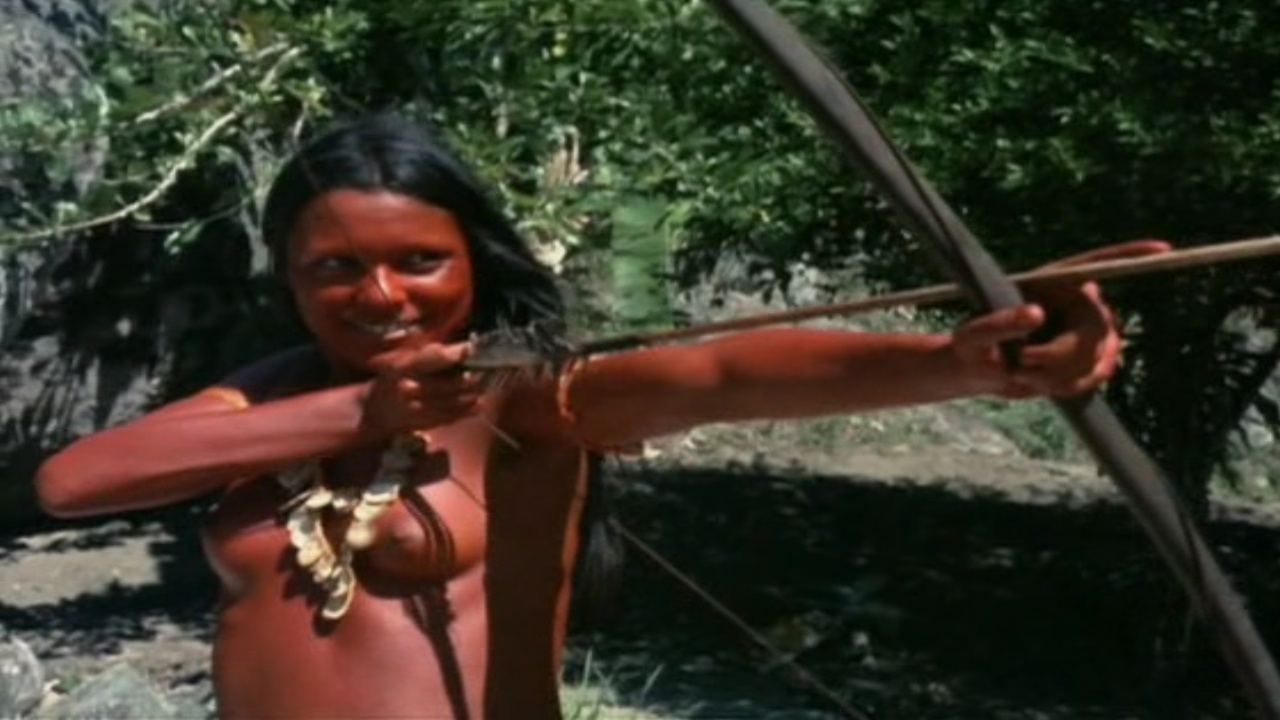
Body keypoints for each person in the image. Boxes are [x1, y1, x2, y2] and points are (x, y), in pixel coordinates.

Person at [34, 113, 1170, 720]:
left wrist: (959, 364)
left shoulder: (525, 396)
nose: (379, 296)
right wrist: (355, 409)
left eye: (419, 260)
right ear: (287, 272)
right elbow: (73, 483)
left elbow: (717, 377)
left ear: (471, 261)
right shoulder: (269, 393)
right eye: (334, 266)